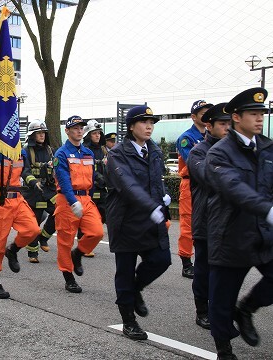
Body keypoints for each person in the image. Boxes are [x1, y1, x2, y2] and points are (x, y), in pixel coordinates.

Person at [205, 88, 273, 360]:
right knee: (221, 300)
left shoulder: (267, 148)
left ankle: (246, 308)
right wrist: (267, 209)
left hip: (262, 233)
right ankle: (224, 349)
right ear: (236, 117)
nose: (259, 119)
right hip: (230, 234)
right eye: (253, 114)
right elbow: (233, 187)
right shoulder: (219, 153)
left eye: (262, 114)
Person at [105, 106, 171, 341]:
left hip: (150, 218)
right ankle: (128, 321)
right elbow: (128, 186)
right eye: (143, 122)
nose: (149, 126)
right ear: (131, 126)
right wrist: (151, 206)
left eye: (152, 122)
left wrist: (163, 197)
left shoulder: (153, 150)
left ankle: (135, 289)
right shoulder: (117, 154)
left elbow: (157, 178)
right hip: (126, 220)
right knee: (124, 271)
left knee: (162, 259)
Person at [186, 103, 231, 331]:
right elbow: (210, 177)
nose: (227, 128)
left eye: (229, 123)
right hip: (206, 220)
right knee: (204, 268)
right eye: (222, 124)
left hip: (229, 222)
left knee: (225, 271)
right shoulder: (198, 151)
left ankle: (222, 309)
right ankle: (202, 310)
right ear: (209, 126)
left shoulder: (234, 149)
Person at [0, 139, 41, 299]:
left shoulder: (19, 150)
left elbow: (24, 169)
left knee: (33, 229)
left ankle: (12, 250)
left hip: (17, 197)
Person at [53, 115, 104, 293]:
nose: (79, 131)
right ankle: (68, 277)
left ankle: (78, 253)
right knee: (65, 241)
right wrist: (73, 201)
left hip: (86, 199)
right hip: (67, 200)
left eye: (81, 128)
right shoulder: (61, 154)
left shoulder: (88, 153)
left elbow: (90, 178)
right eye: (75, 128)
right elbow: (64, 180)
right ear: (67, 131)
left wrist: (88, 198)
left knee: (96, 232)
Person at [176, 100, 213, 279]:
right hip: (191, 184)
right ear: (193, 117)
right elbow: (193, 161)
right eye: (202, 113)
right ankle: (186, 262)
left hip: (209, 184)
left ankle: (204, 260)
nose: (206, 116)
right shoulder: (186, 138)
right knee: (188, 224)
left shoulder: (212, 135)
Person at [21, 120, 57, 263]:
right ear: (32, 135)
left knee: (58, 212)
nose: (41, 135)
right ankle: (32, 252)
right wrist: (34, 182)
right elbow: (24, 171)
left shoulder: (50, 150)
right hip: (33, 191)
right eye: (38, 133)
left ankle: (44, 237)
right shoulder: (25, 151)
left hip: (48, 189)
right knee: (34, 222)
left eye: (43, 133)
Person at [81, 119, 109, 257]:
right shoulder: (85, 150)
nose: (97, 136)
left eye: (99, 133)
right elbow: (88, 168)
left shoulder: (104, 149)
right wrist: (98, 177)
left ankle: (91, 237)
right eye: (94, 133)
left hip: (103, 187)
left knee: (103, 212)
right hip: (91, 187)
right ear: (88, 135)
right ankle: (83, 244)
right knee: (86, 216)